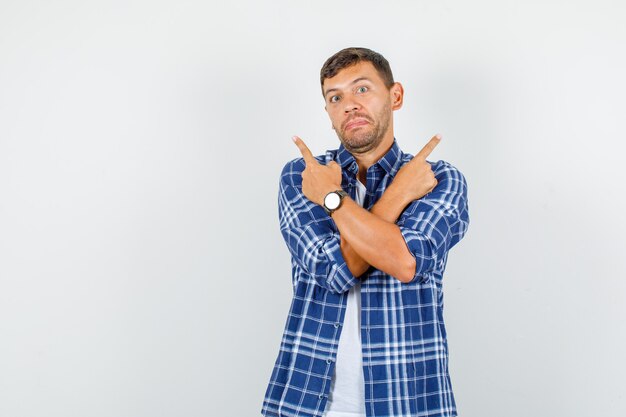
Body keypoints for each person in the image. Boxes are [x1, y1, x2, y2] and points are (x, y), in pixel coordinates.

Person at [261, 47, 470, 417]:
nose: (349, 105)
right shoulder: (304, 177)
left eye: (362, 89)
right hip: (306, 402)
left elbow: (404, 261)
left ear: (396, 96)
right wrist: (396, 193)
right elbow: (335, 271)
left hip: (409, 403)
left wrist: (332, 201)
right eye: (335, 97)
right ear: (328, 113)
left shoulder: (438, 179)